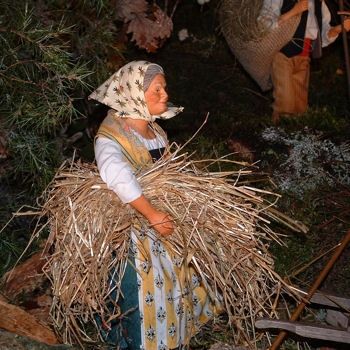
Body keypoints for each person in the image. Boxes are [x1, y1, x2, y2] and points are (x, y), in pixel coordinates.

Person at [89, 60, 221, 350]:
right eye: (157, 89)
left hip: (165, 217)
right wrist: (152, 214)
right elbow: (119, 179)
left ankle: (178, 335)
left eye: (164, 87)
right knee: (149, 285)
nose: (165, 94)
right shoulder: (112, 137)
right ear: (134, 94)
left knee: (184, 278)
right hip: (136, 224)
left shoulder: (155, 132)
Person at [260, 0, 350, 123]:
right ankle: (279, 137)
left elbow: (323, 35)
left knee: (300, 108)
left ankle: (296, 138)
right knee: (285, 105)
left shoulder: (319, 3)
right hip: (282, 54)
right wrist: (294, 11)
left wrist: (338, 29)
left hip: (304, 58)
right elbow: (264, 23)